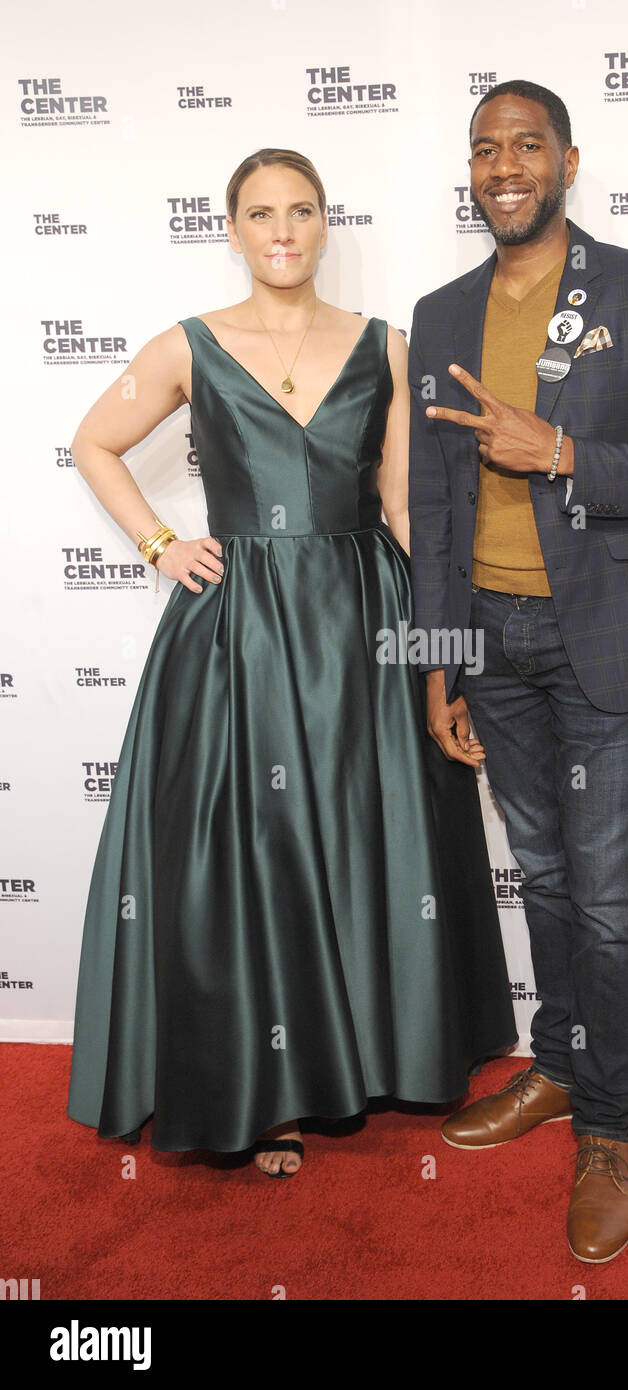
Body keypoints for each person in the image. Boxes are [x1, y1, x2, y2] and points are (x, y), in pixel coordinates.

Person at [67, 147, 516, 1177]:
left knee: (369, 832)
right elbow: (94, 442)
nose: (282, 229)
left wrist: (455, 646)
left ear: (324, 225)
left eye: (301, 210)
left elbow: (403, 508)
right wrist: (158, 544)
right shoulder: (186, 346)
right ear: (230, 229)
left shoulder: (386, 345)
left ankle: (380, 1053)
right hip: (240, 632)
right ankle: (263, 1089)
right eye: (261, 212)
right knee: (255, 849)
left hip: (364, 619)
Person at [408, 82, 628, 1260]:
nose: (505, 165)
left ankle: (606, 1123)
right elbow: (432, 504)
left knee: (600, 899)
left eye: (526, 145)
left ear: (567, 162)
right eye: (485, 147)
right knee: (539, 875)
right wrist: (436, 667)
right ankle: (553, 1068)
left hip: (608, 642)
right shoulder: (439, 313)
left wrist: (560, 452)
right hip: (488, 642)